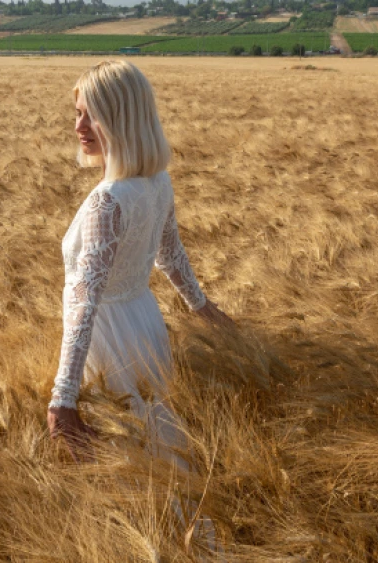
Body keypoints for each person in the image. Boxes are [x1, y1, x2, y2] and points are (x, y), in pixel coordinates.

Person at [47, 60, 234, 468]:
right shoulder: (157, 181)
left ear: (122, 118)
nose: (79, 126)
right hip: (145, 326)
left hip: (108, 339)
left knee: (124, 458)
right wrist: (201, 306)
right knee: (156, 447)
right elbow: (171, 253)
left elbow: (85, 300)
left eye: (92, 115)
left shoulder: (107, 201)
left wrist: (64, 396)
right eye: (77, 114)